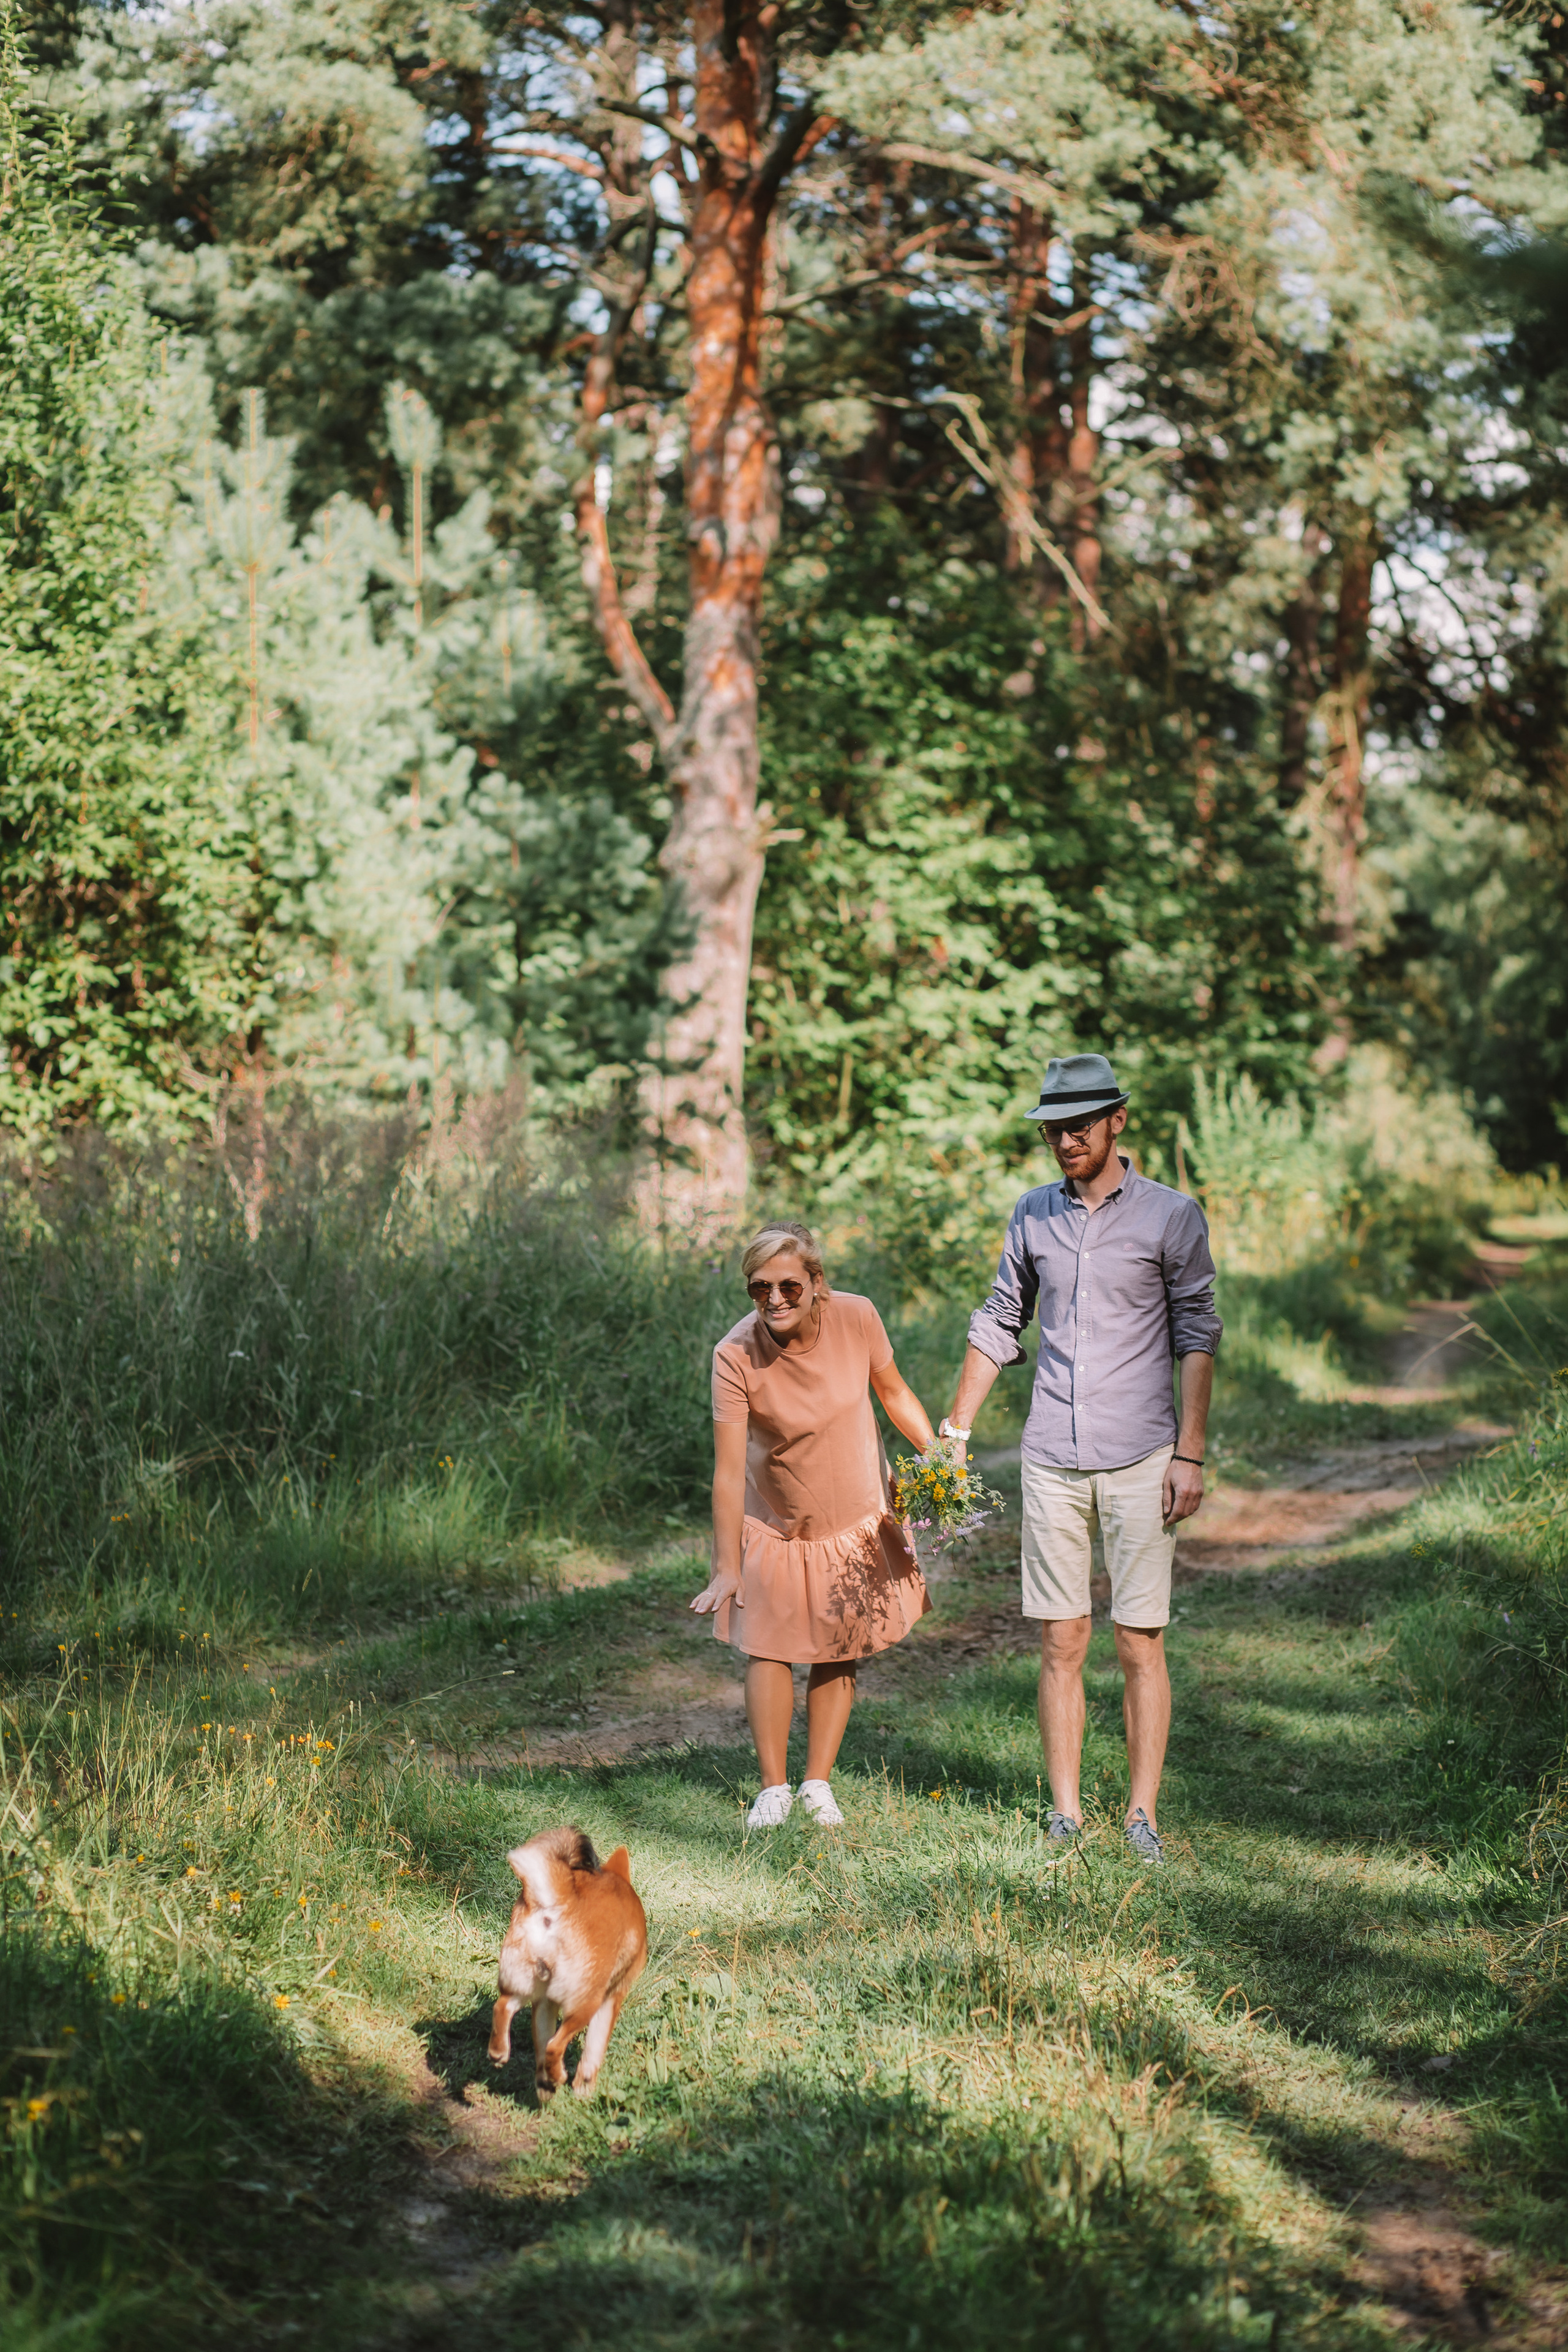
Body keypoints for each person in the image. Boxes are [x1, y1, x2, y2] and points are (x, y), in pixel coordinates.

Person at [941, 1054, 1221, 1865]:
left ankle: (1141, 1815)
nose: (1065, 1139)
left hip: (1142, 1454)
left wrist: (1190, 1456)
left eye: (1079, 1125)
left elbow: (1198, 1335)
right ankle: (1065, 1812)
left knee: (1140, 1642)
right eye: (1054, 1128)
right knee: (1062, 1641)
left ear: (1117, 1121)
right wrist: (956, 1433)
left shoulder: (1172, 1217)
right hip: (1052, 1457)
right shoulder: (1032, 1216)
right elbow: (1001, 1319)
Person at [690, 1221, 937, 1830]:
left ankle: (816, 1783)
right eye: (758, 1289)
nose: (774, 1299)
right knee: (768, 1647)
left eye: (788, 1286)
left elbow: (894, 1391)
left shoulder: (856, 1318)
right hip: (778, 1520)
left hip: (853, 1511)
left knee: (837, 1647)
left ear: (817, 1284)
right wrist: (726, 1566)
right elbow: (725, 1473)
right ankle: (772, 1789)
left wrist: (939, 1459)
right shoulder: (734, 1355)